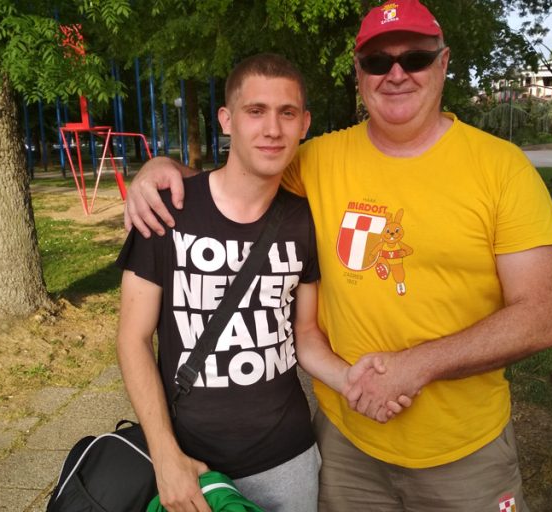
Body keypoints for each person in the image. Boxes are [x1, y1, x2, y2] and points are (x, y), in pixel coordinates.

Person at [123, 1, 552, 510]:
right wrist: (161, 169)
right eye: (378, 62)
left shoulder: (502, 168)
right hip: (346, 446)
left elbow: (544, 316)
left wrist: (419, 365)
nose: (396, 74)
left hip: (464, 453)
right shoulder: (318, 159)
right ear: (359, 73)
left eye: (415, 58)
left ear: (443, 63)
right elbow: (242, 175)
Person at [116, 53, 409, 512]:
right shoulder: (167, 211)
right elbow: (132, 338)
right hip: (188, 457)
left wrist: (348, 379)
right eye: (256, 111)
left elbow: (305, 334)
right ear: (226, 119)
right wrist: (165, 454)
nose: (272, 129)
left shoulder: (305, 222)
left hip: (286, 459)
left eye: (286, 113)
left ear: (304, 124)